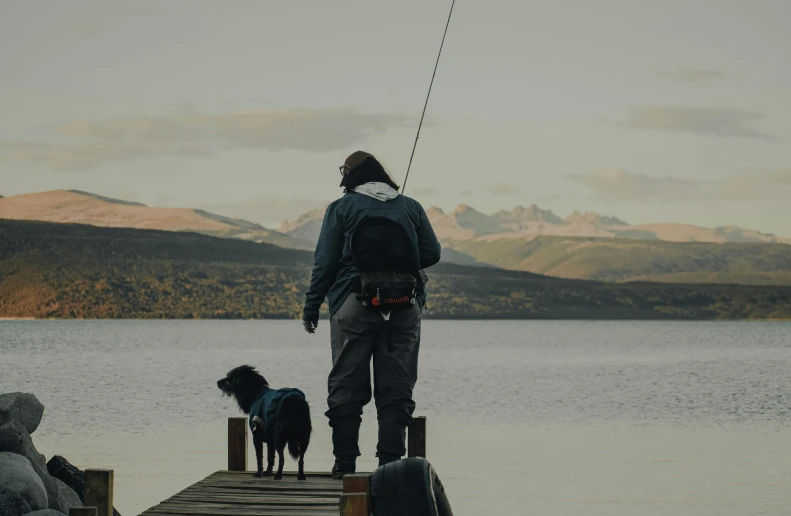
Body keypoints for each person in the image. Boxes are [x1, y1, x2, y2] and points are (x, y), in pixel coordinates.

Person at [302, 150, 441, 479]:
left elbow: (325, 263)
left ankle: (345, 466)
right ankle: (390, 469)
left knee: (347, 385)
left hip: (353, 304)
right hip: (403, 305)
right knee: (397, 389)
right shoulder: (410, 206)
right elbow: (432, 253)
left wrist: (312, 306)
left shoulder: (341, 208)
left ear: (350, 176)